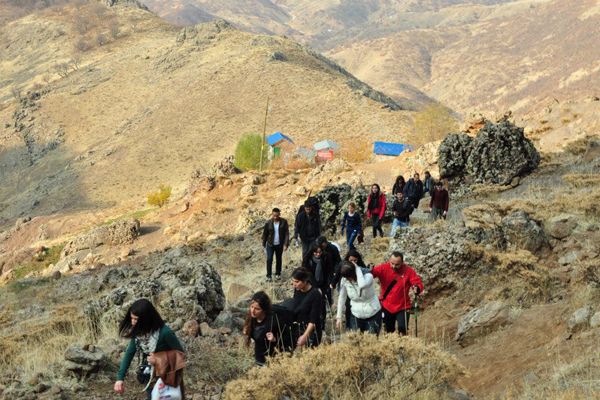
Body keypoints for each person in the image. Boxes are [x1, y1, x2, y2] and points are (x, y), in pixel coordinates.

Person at [114, 299, 185, 399]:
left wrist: (158, 359)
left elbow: (181, 354)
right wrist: (120, 379)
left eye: (136, 319)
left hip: (168, 377)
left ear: (145, 319)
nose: (132, 322)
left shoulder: (165, 333)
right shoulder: (139, 334)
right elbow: (129, 354)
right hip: (150, 377)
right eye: (131, 318)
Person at [371, 252, 423, 335]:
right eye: (392, 263)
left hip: (403, 306)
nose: (394, 266)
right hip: (386, 305)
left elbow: (417, 282)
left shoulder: (408, 270)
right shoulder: (383, 268)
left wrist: (417, 287)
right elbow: (371, 274)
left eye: (397, 264)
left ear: (402, 262)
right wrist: (368, 270)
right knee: (389, 330)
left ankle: (403, 346)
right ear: (389, 260)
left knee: (403, 329)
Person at [335, 261, 382, 335]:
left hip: (373, 313)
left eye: (349, 277)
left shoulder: (368, 276)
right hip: (356, 314)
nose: (348, 280)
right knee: (355, 339)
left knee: (371, 340)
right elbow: (342, 298)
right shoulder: (344, 280)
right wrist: (339, 317)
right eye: (346, 278)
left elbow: (362, 285)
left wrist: (357, 269)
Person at [243, 291, 287, 366]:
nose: (253, 311)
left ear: (264, 310)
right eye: (252, 307)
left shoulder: (274, 321)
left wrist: (274, 340)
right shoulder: (252, 318)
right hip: (258, 359)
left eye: (257, 309)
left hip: (273, 362)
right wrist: (247, 332)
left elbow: (286, 341)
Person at [290, 267, 324, 348]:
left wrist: (305, 336)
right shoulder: (298, 289)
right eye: (293, 281)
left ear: (305, 281)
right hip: (299, 327)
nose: (294, 284)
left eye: (297, 282)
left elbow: (313, 320)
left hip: (311, 331)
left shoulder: (315, 294)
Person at [262, 208, 290, 282]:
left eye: (277, 215)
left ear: (279, 214)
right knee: (269, 259)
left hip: (279, 244)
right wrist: (263, 245)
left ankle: (278, 274)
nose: (275, 217)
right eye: (274, 215)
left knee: (278, 259)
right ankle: (269, 275)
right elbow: (265, 234)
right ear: (272, 214)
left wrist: (286, 244)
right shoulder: (268, 223)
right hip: (270, 244)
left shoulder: (284, 222)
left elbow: (287, 234)